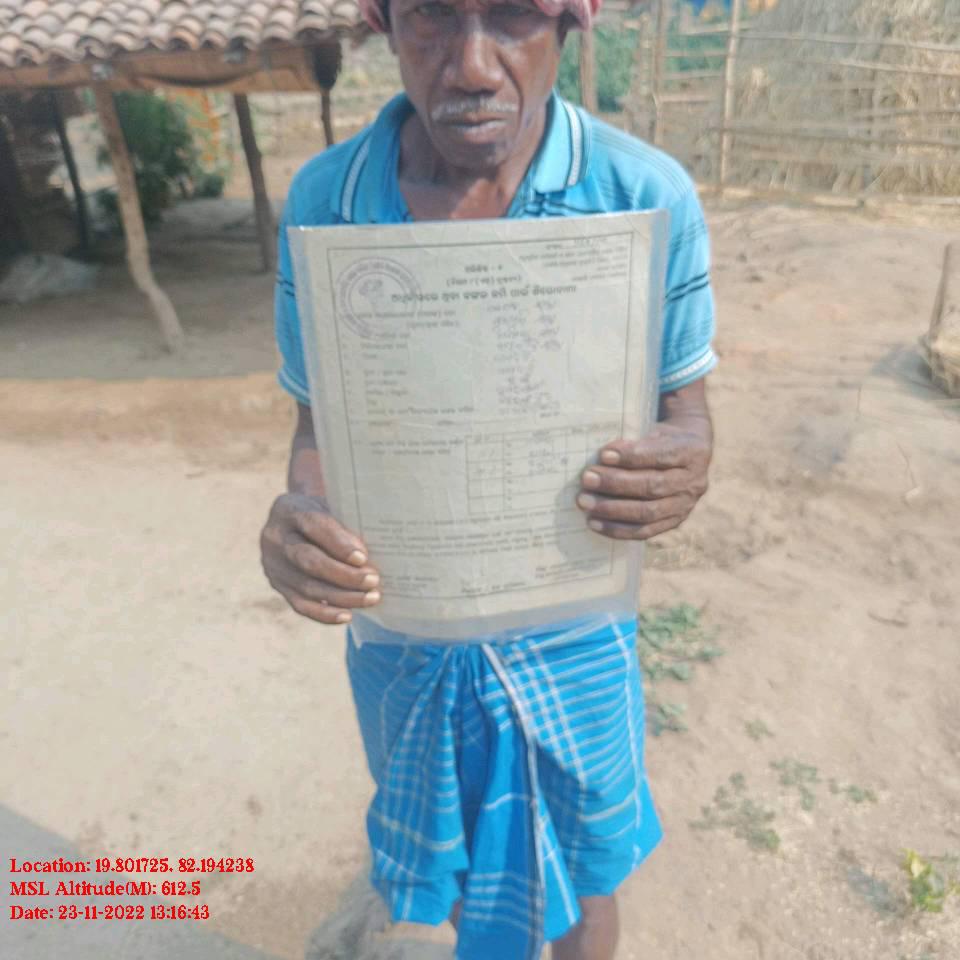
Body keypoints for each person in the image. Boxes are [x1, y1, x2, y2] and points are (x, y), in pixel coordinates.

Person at [260, 0, 715, 957]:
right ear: (386, 20)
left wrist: (688, 459)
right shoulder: (327, 201)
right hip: (408, 636)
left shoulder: (644, 196)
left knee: (588, 872)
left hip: (576, 630)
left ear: (573, 20)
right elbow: (317, 426)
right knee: (463, 868)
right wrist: (303, 516)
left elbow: (687, 410)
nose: (471, 66)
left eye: (512, 15)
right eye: (433, 15)